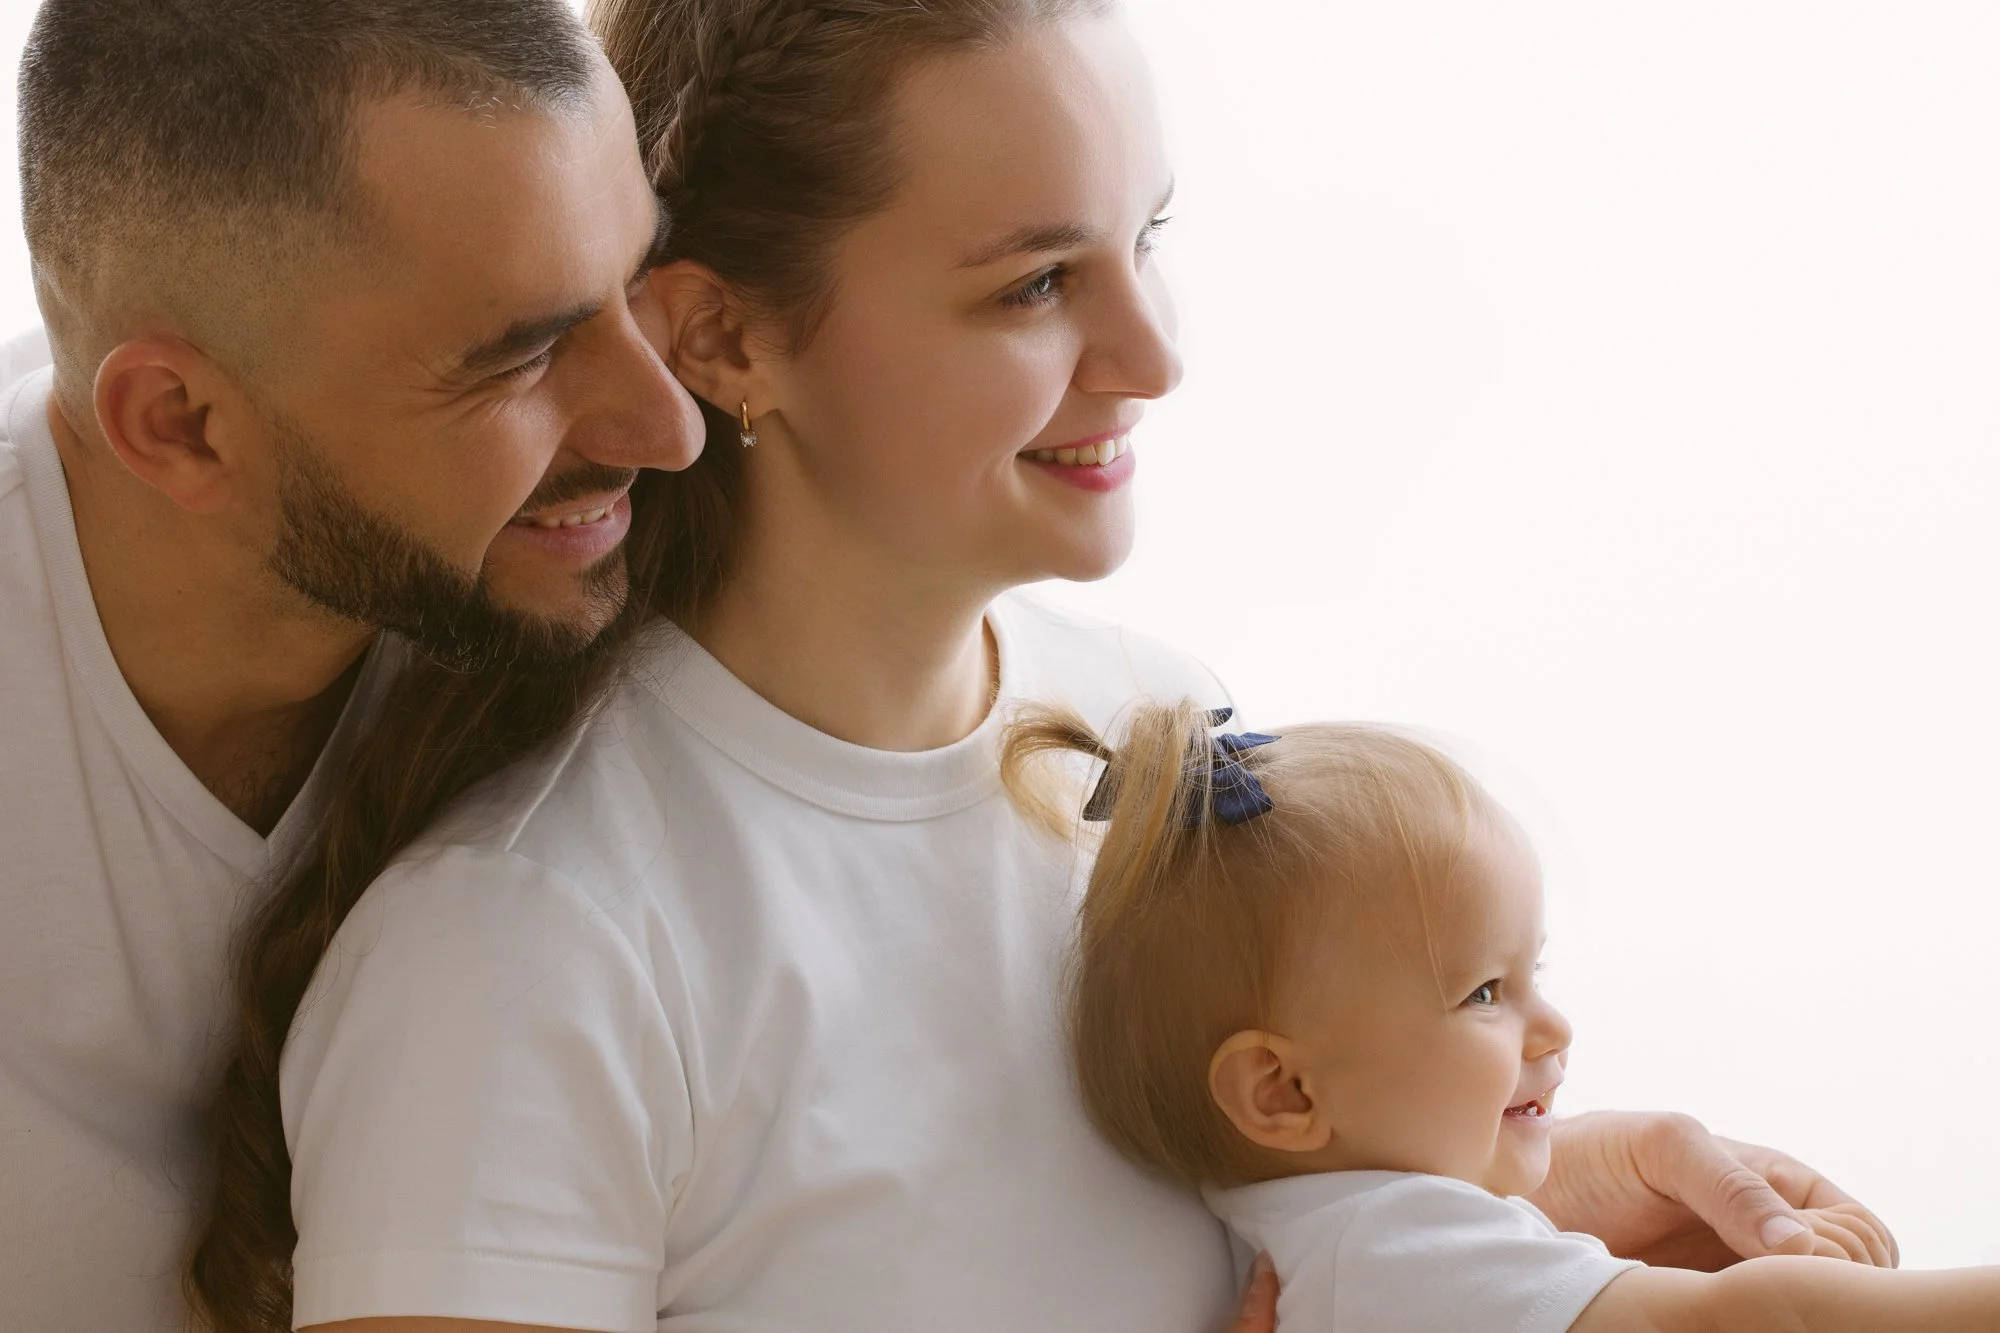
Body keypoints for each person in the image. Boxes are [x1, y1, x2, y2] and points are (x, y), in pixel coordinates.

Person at [184, 1, 1897, 1331]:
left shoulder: (1158, 738)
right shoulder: (531, 942)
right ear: (726, 341)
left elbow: (1196, 1185)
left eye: (1148, 238)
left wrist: (1498, 1199)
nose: (1156, 352)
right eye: (1033, 288)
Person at [0, 1, 704, 1327]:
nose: (667, 426)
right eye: (525, 356)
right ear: (183, 426)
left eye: (636, 283)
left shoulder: (615, 591)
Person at [997, 698, 2000, 1330]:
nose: (1552, 1027)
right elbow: (1763, 1317)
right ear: (1283, 1089)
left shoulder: (1324, 1243)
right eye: (1482, 992)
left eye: (1534, 972)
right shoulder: (1394, 1247)